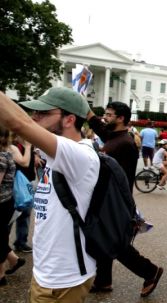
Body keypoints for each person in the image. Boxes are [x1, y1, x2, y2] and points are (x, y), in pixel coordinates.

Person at [0, 87, 100, 302]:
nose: (34, 117)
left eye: (43, 113)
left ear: (69, 119)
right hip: (47, 273)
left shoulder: (79, 155)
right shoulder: (58, 155)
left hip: (63, 280)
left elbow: (19, 123)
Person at [87, 102, 163, 297]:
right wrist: (87, 113)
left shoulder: (125, 143)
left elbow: (116, 177)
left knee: (116, 244)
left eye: (109, 115)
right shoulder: (115, 137)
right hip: (108, 199)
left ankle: (151, 271)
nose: (105, 117)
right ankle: (103, 280)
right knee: (103, 237)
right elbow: (102, 130)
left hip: (116, 202)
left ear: (121, 118)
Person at [0, 126, 26, 287]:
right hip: (5, 202)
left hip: (2, 203)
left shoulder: (2, 157)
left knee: (0, 237)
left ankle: (1, 275)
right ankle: (14, 260)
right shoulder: (6, 154)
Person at [9, 135, 34, 252]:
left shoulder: (28, 145)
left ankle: (21, 242)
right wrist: (28, 147)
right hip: (15, 186)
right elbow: (24, 162)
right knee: (10, 216)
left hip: (27, 183)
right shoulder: (12, 146)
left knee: (25, 214)